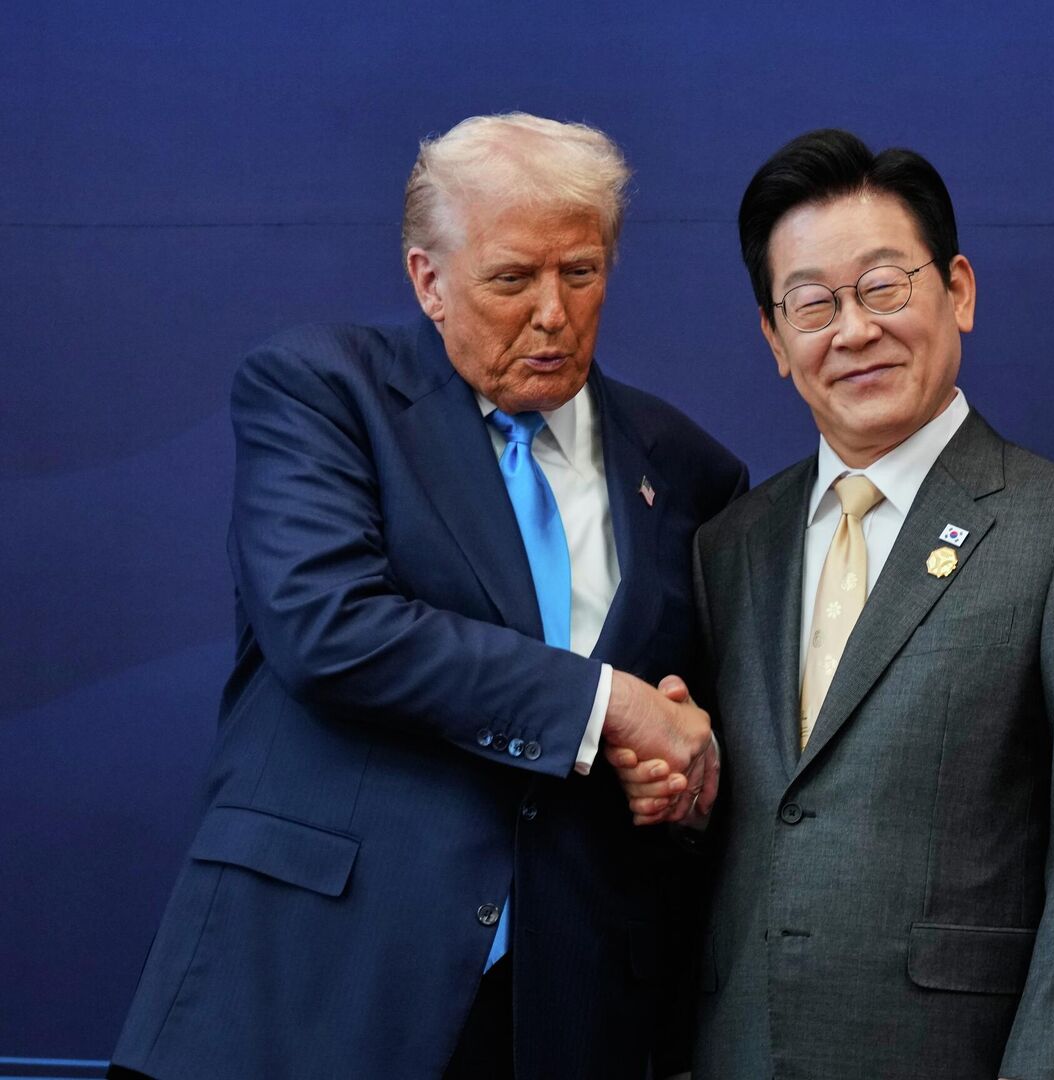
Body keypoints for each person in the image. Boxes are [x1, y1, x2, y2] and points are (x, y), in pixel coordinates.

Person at [110, 112, 744, 1080]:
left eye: (581, 272)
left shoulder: (692, 470)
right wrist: (604, 705)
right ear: (428, 280)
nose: (553, 313)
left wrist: (683, 773)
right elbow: (330, 628)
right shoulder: (323, 391)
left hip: (560, 1016)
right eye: (512, 279)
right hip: (313, 988)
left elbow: (690, 725)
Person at [681, 128, 1054, 1080]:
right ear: (775, 341)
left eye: (883, 287)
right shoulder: (730, 546)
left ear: (959, 291)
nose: (853, 331)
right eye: (813, 305)